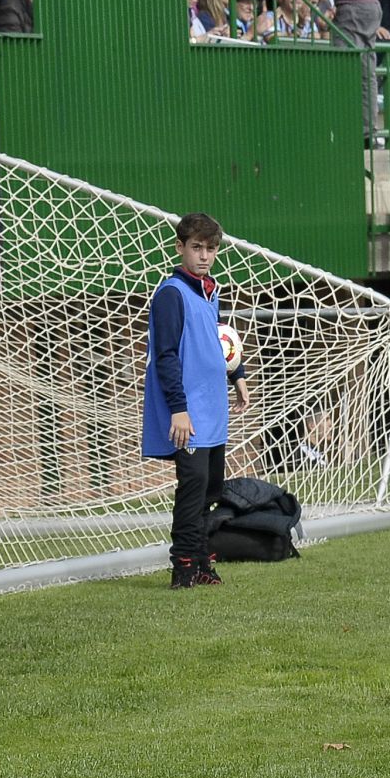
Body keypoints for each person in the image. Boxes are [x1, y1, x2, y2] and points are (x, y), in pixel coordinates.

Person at [141, 212, 251, 589]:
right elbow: (165, 356)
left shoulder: (210, 290)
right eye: (196, 247)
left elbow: (219, 338)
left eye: (211, 249)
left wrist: (236, 375)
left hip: (214, 408)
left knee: (210, 489)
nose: (204, 256)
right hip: (188, 412)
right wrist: (178, 409)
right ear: (180, 247)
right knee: (192, 489)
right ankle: (183, 566)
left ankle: (202, 561)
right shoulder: (171, 294)